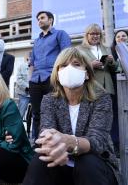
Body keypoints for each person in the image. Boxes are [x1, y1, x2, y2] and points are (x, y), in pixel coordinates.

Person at [22, 47, 119, 185]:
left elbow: (97, 141)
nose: (69, 69)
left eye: (76, 64)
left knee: (87, 161)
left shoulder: (101, 98)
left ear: (87, 74)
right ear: (57, 73)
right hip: (62, 166)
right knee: (40, 160)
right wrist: (50, 141)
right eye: (64, 65)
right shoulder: (49, 100)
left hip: (96, 166)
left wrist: (69, 142)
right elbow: (46, 130)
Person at [29, 11, 71, 140]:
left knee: (56, 111)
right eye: (38, 19)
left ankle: (57, 141)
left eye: (42, 18)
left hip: (52, 77)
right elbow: (32, 63)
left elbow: (67, 55)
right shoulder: (36, 41)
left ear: (51, 19)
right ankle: (38, 142)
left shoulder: (60, 34)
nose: (39, 21)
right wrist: (29, 80)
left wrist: (60, 76)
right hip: (35, 80)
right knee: (36, 113)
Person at [77, 24, 117, 95]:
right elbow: (76, 68)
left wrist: (111, 61)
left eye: (97, 34)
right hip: (90, 88)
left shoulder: (106, 48)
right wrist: (90, 65)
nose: (95, 36)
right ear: (87, 35)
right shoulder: (79, 50)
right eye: (92, 34)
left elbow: (115, 69)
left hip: (107, 87)